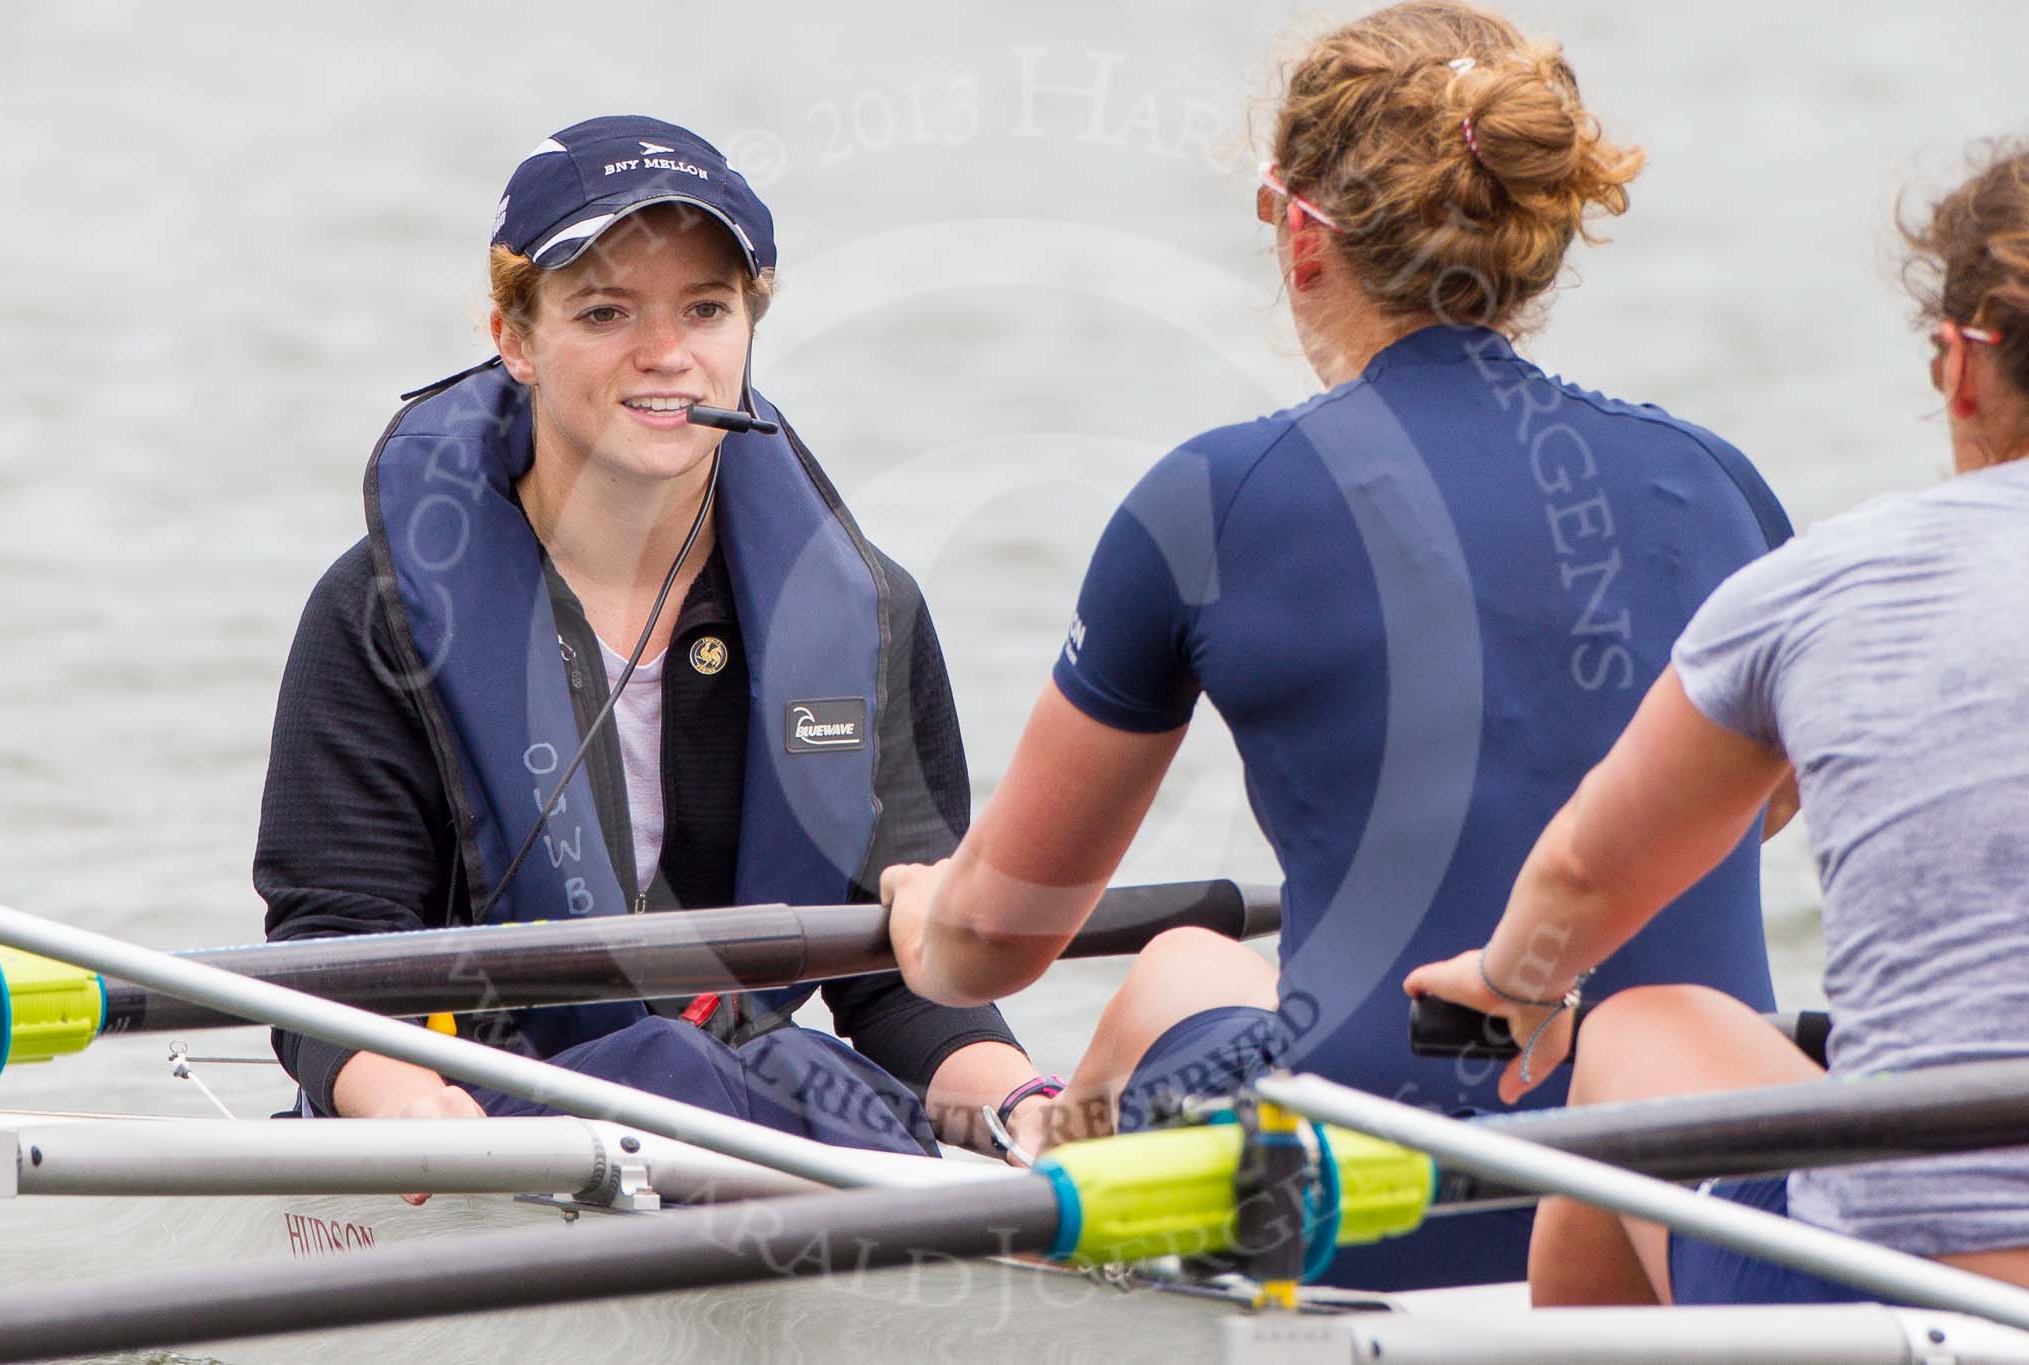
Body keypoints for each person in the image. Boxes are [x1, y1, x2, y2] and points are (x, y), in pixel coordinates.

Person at [881, 1, 1794, 1288]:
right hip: (1684, 1211)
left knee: (1175, 969)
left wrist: (920, 913)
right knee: (1210, 966)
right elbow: (1746, 815)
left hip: (1375, 1209)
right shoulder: (1720, 486)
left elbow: (998, 942)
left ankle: (1049, 1256)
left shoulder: (1214, 497)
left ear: (1302, 232)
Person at [257, 115, 1054, 1167]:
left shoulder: (864, 616)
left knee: (774, 1081)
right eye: (604, 311)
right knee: (703, 1076)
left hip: (740, 1106)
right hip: (467, 1115)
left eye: (706, 309)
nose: (667, 354)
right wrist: (406, 1107)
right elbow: (331, 956)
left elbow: (895, 973)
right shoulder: (375, 613)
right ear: (515, 336)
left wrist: (1034, 1108)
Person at [1404, 141, 2029, 1304]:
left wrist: (1516, 988)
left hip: (1932, 1300)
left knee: (1642, 1023)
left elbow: (1589, 875)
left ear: (1956, 365)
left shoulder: (1827, 582)